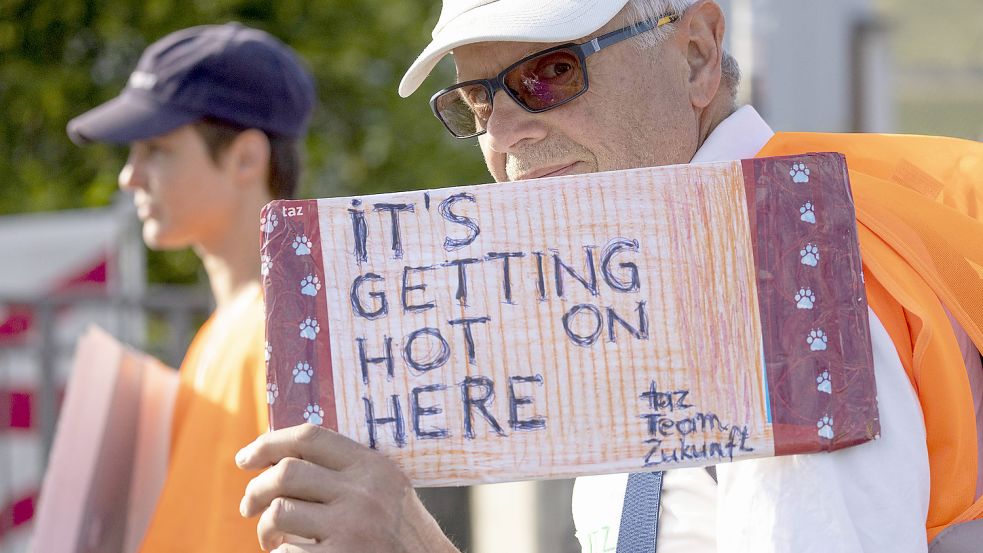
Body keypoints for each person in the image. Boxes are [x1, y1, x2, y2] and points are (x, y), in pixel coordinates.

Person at [236, 1, 983, 551]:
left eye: (550, 72)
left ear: (694, 53)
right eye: (475, 99)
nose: (501, 134)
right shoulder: (657, 275)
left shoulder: (787, 276)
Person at [67, 22, 315, 552]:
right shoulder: (234, 325)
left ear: (246, 158)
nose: (128, 177)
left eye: (156, 149)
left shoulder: (285, 332)